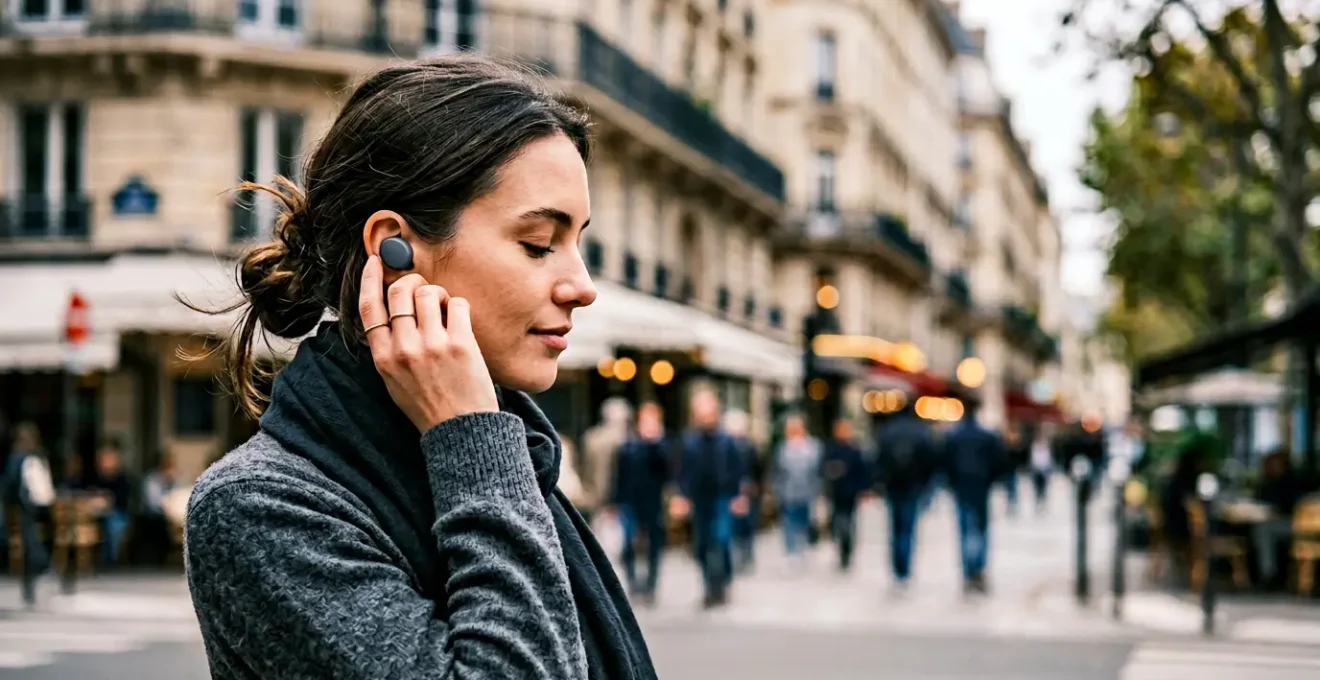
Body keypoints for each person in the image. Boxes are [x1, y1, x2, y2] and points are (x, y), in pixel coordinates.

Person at [183, 56, 656, 679]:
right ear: (395, 250)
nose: (582, 285)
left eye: (579, 243)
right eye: (539, 243)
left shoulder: (521, 461)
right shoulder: (260, 506)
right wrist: (471, 439)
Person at [673, 388, 746, 608]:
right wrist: (681, 496)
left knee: (721, 541)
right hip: (700, 499)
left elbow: (737, 470)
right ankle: (709, 588)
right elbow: (683, 471)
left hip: (722, 497)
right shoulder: (690, 440)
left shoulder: (727, 440)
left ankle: (722, 584)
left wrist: (739, 496)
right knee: (703, 545)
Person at [942, 402, 1009, 594]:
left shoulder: (953, 436)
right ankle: (978, 570)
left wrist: (952, 482)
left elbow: (945, 463)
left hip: (962, 488)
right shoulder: (986, 436)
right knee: (980, 530)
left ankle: (968, 572)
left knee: (965, 531)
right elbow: (999, 462)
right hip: (980, 488)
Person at [874, 396, 939, 591]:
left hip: (893, 486)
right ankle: (905, 571)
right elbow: (931, 460)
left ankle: (897, 569)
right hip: (913, 486)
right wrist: (927, 484)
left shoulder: (886, 431)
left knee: (894, 528)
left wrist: (879, 483)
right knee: (908, 529)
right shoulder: (921, 432)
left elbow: (878, 459)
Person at [612, 402, 672, 604]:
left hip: (653, 503)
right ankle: (633, 584)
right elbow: (619, 475)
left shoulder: (662, 446)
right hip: (629, 501)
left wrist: (654, 443)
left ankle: (651, 586)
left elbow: (667, 471)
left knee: (654, 545)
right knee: (628, 543)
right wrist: (616, 501)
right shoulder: (628, 446)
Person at [2, 422, 54, 606]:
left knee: (28, 543)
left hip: (23, 507)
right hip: (37, 505)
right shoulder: (38, 455)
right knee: (32, 541)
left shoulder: (18, 457)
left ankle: (36, 576)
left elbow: (10, 483)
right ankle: (32, 585)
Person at [773, 413, 823, 573]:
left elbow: (817, 471)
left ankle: (804, 547)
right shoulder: (783, 448)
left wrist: (819, 491)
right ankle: (791, 552)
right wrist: (776, 489)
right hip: (787, 492)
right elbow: (777, 471)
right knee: (789, 522)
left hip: (808, 491)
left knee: (805, 521)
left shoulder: (813, 446)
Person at [822, 417, 869, 572]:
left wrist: (863, 489)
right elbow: (822, 469)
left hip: (850, 493)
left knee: (849, 523)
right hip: (835, 493)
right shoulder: (830, 449)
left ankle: (847, 551)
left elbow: (862, 471)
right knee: (838, 523)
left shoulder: (854, 450)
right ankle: (842, 550)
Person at [580, 398, 631, 525]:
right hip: (618, 499)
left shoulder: (591, 437)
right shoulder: (626, 439)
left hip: (594, 494)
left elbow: (585, 468)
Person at [722, 409, 761, 573]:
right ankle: (737, 558)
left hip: (748, 492)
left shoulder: (750, 447)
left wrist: (754, 486)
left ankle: (745, 556)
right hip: (731, 492)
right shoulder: (724, 446)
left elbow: (758, 469)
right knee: (734, 527)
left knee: (746, 526)